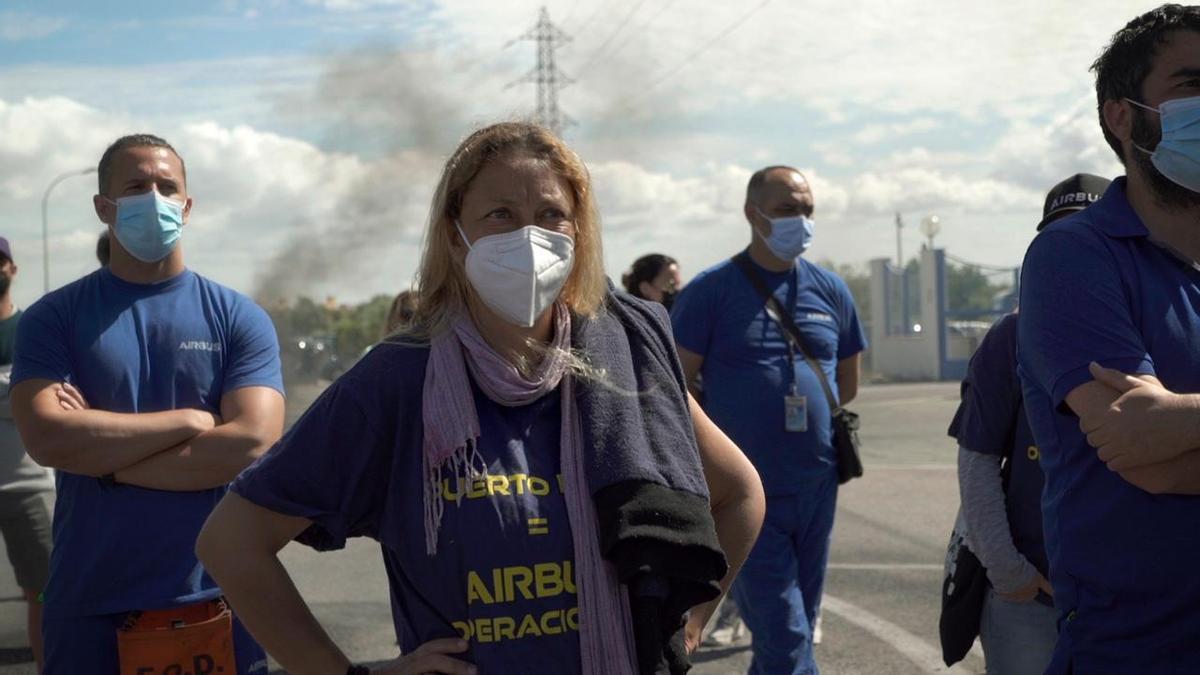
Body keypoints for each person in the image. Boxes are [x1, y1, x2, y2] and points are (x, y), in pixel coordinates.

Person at [195, 121, 766, 675]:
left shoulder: (626, 358)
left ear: (579, 231)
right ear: (453, 233)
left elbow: (739, 494)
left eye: (550, 216)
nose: (528, 238)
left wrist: (685, 627)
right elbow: (232, 542)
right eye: (500, 215)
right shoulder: (397, 380)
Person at [10, 134, 285, 673]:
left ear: (186, 205)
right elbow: (46, 438)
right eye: (136, 186)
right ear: (102, 206)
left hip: (219, 594)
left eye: (167, 186)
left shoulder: (237, 316)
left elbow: (252, 441)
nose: (154, 197)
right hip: (89, 599)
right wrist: (190, 421)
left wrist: (107, 464)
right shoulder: (54, 317)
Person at [1017, 6, 1200, 672]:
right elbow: (1140, 441)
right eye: (1192, 84)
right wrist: (1164, 429)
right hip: (1137, 648)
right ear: (1122, 117)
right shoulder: (1075, 255)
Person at [671, 165, 866, 674]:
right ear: (751, 214)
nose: (799, 220)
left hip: (817, 484)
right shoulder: (711, 292)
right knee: (786, 633)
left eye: (806, 211)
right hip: (745, 495)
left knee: (797, 624)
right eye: (786, 210)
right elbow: (669, 387)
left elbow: (847, 383)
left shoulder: (831, 290)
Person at [950, 173, 1109, 674]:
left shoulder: (1140, 324)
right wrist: (1006, 568)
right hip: (1031, 596)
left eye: (1088, 233)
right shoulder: (1013, 335)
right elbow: (977, 459)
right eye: (1059, 236)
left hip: (1126, 598)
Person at [0, 237, 54, 672]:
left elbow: (52, 402)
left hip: (28, 490)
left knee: (44, 591)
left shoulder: (31, 330)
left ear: (12, 269)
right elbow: (26, 398)